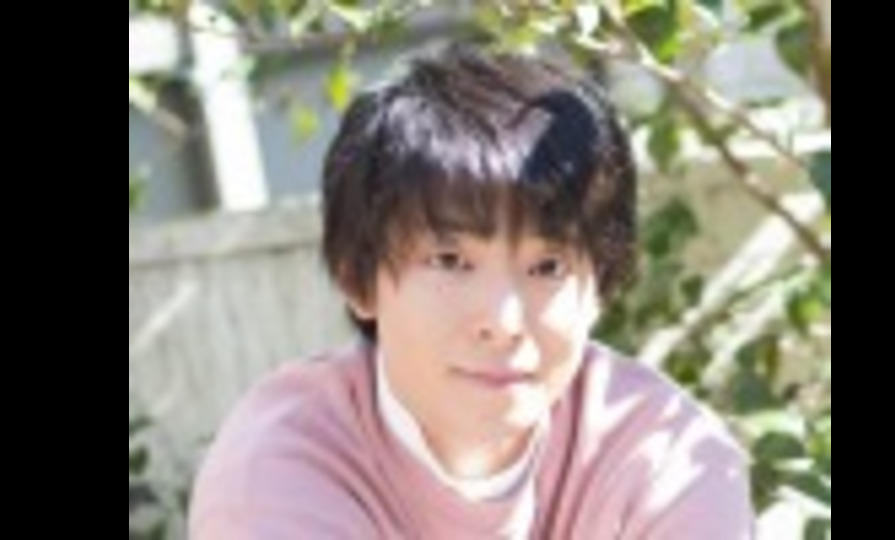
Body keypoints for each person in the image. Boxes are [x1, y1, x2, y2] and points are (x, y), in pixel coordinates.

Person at [189, 44, 754, 539]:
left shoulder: (669, 454)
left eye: (547, 266)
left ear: (600, 287)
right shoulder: (278, 470)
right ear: (357, 279)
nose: (504, 321)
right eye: (451, 261)